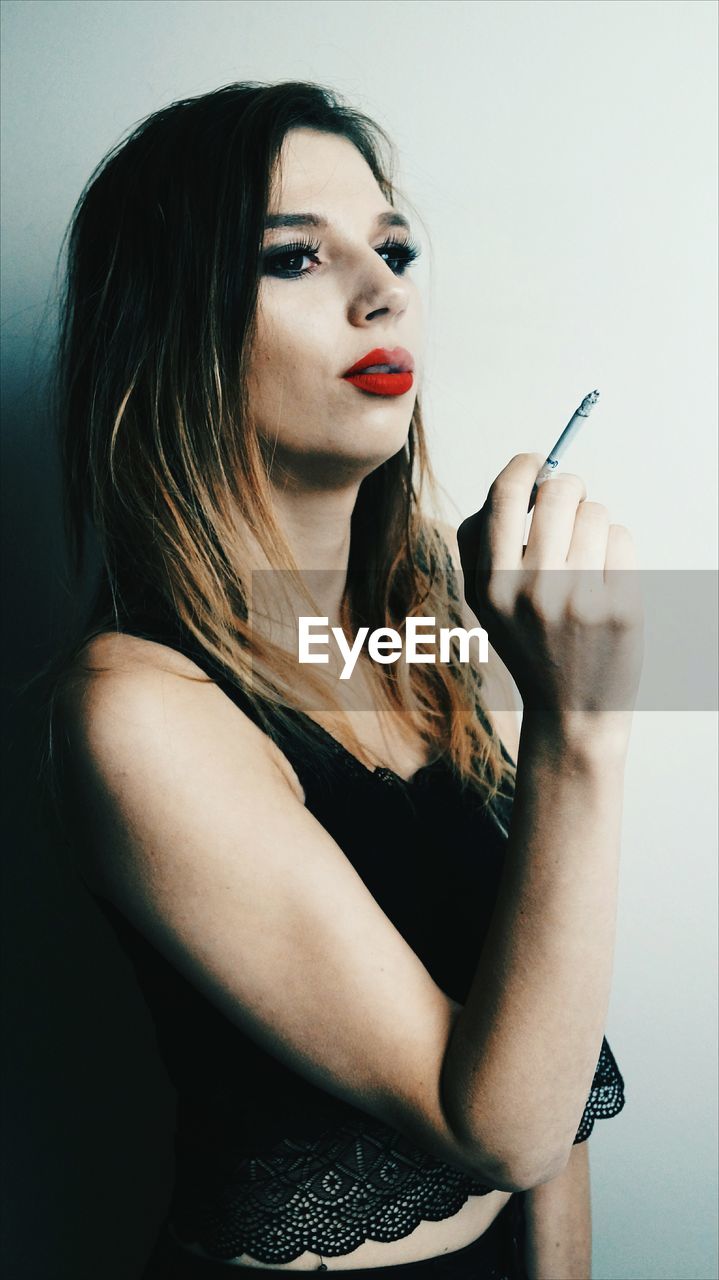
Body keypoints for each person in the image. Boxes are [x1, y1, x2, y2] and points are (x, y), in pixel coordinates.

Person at [43, 82, 643, 1277]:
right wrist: (581, 731)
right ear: (172, 323)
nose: (383, 290)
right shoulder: (136, 711)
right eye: (292, 259)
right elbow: (501, 1125)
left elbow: (548, 1033)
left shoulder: (422, 622)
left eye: (394, 245)